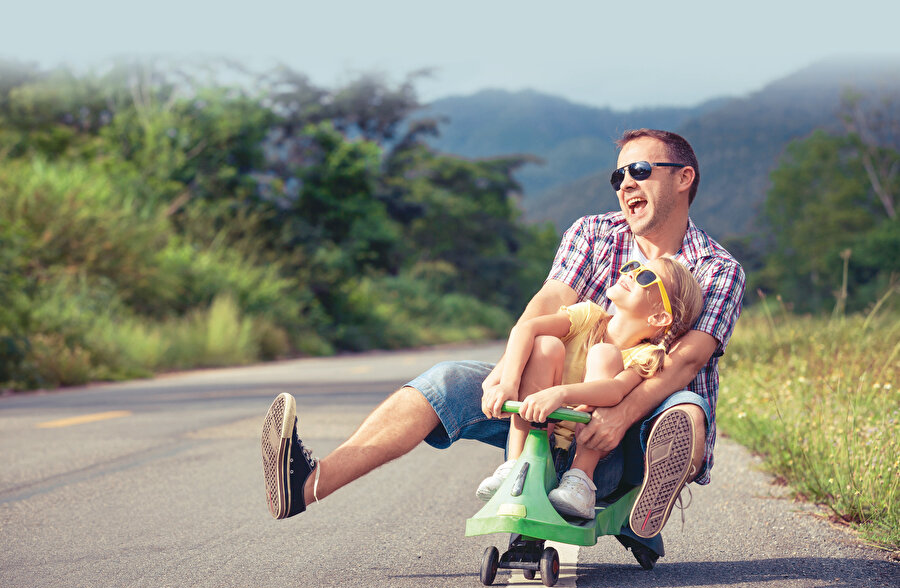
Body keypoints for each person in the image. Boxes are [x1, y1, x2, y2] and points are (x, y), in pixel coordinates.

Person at [260, 128, 745, 542]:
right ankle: (306, 485)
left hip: (631, 436)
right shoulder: (594, 233)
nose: (625, 185)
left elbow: (684, 362)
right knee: (446, 380)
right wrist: (508, 375)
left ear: (684, 178)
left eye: (640, 170)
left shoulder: (716, 269)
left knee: (686, 408)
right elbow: (545, 308)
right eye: (618, 176)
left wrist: (619, 415)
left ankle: (642, 499)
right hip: (552, 410)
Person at [476, 257, 703, 521]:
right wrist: (508, 383)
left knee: (604, 354)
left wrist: (561, 393)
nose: (631, 274)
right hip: (538, 445)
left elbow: (616, 391)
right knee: (545, 345)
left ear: (659, 316)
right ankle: (515, 466)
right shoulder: (587, 315)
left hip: (593, 460)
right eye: (633, 267)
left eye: (645, 278)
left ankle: (580, 481)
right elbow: (526, 328)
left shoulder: (648, 355)